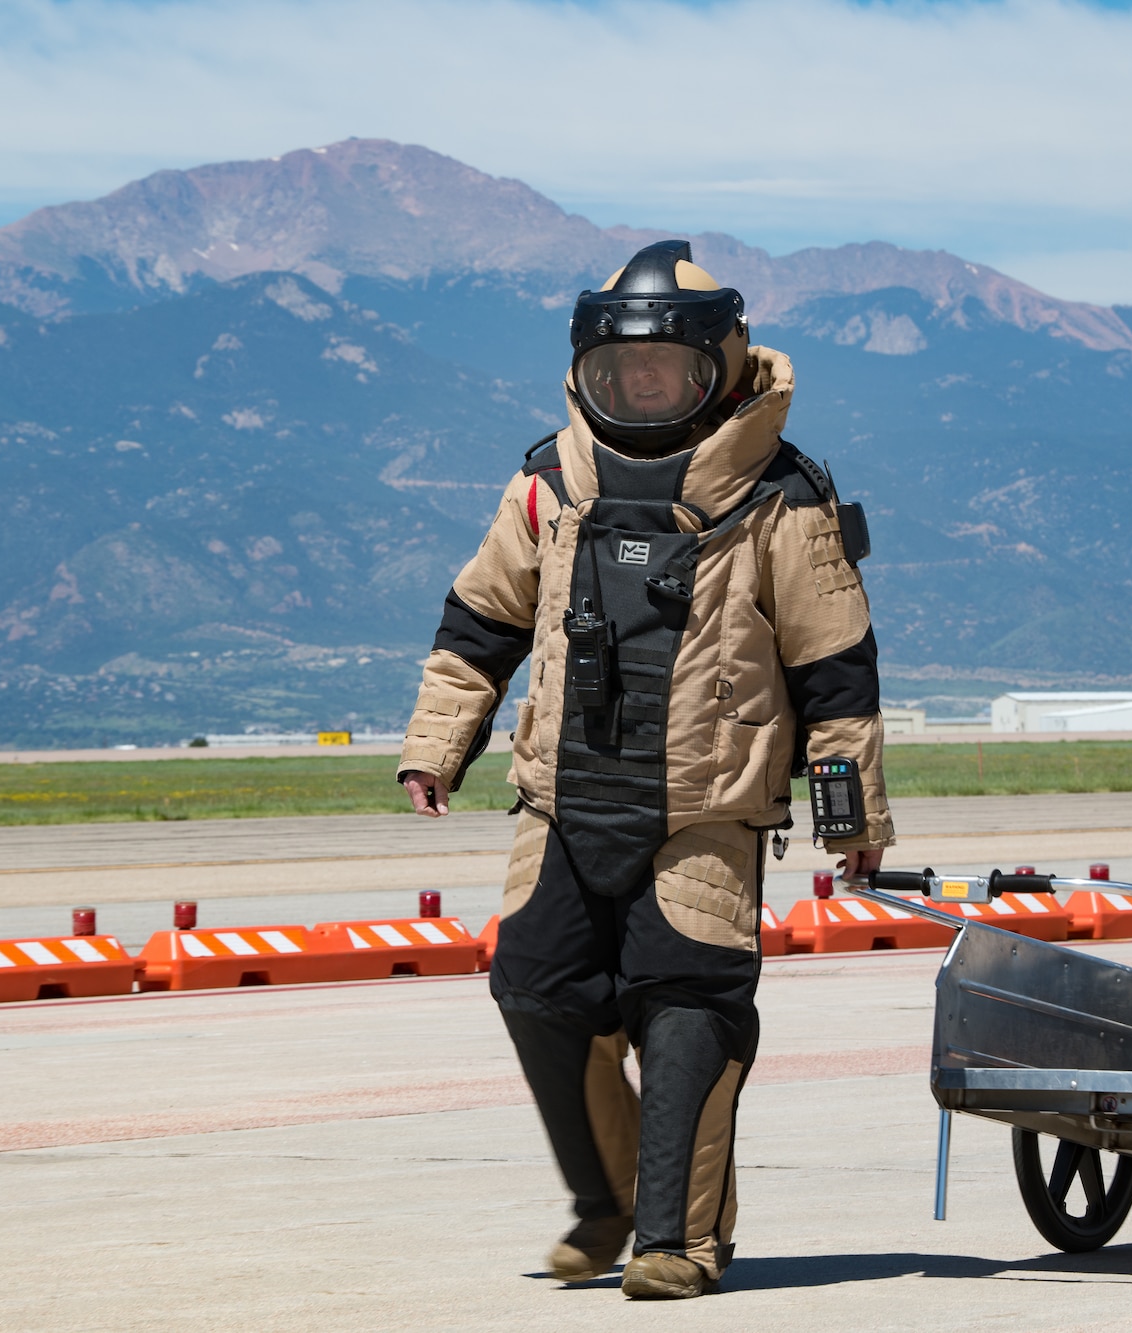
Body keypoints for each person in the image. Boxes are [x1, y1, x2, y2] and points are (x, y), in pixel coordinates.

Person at [397, 240, 893, 1300]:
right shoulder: (545, 485)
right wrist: (435, 745)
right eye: (621, 372)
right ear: (589, 370)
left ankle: (678, 1241)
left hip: (704, 812)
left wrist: (849, 816)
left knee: (686, 1007)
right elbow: (480, 618)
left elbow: (836, 668)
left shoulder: (779, 496)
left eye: (662, 369)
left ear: (716, 368)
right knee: (535, 988)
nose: (641, 386)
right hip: (559, 797)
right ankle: (605, 1199)